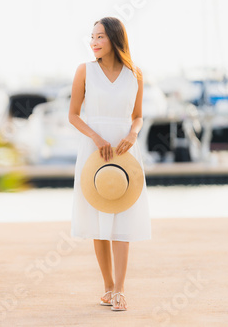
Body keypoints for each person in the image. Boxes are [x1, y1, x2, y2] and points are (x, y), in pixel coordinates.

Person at [67, 17, 152, 311]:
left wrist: (133, 132)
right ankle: (107, 288)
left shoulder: (135, 73)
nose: (93, 42)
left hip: (125, 150)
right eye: (91, 37)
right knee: (99, 218)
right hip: (95, 150)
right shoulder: (85, 71)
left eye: (100, 36)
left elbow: (138, 115)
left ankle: (120, 290)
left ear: (115, 38)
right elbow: (74, 115)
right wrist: (96, 137)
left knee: (122, 218)